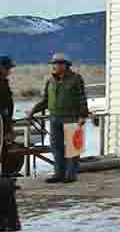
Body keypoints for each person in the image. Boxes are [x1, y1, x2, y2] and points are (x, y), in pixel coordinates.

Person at [28, 53, 89, 184]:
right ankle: (58, 174)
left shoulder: (76, 79)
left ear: (65, 65)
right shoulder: (50, 81)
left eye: (57, 64)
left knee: (73, 147)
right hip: (54, 117)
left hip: (72, 117)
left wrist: (83, 115)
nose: (54, 66)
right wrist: (33, 111)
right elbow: (45, 100)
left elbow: (82, 98)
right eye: (54, 64)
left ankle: (70, 175)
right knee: (56, 147)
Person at [0, 56, 16, 178]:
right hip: (2, 121)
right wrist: (8, 126)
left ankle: (5, 178)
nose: (9, 71)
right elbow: (3, 105)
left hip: (5, 120)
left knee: (5, 148)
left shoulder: (4, 81)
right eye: (7, 68)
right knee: (3, 148)